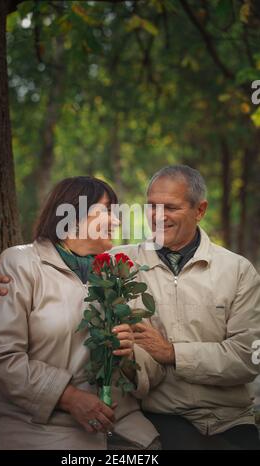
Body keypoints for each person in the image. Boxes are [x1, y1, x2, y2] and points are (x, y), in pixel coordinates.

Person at [0, 176, 161, 450]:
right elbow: (1, 359)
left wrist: (129, 354)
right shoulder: (21, 264)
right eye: (106, 212)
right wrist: (69, 397)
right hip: (42, 429)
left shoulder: (119, 271)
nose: (117, 221)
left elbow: (151, 363)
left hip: (123, 427)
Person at [110, 165, 260, 449]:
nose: (158, 216)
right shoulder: (120, 263)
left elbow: (247, 358)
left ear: (199, 210)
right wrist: (10, 270)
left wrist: (171, 353)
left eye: (171, 207)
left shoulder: (238, 270)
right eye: (152, 206)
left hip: (229, 420)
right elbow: (67, 265)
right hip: (157, 417)